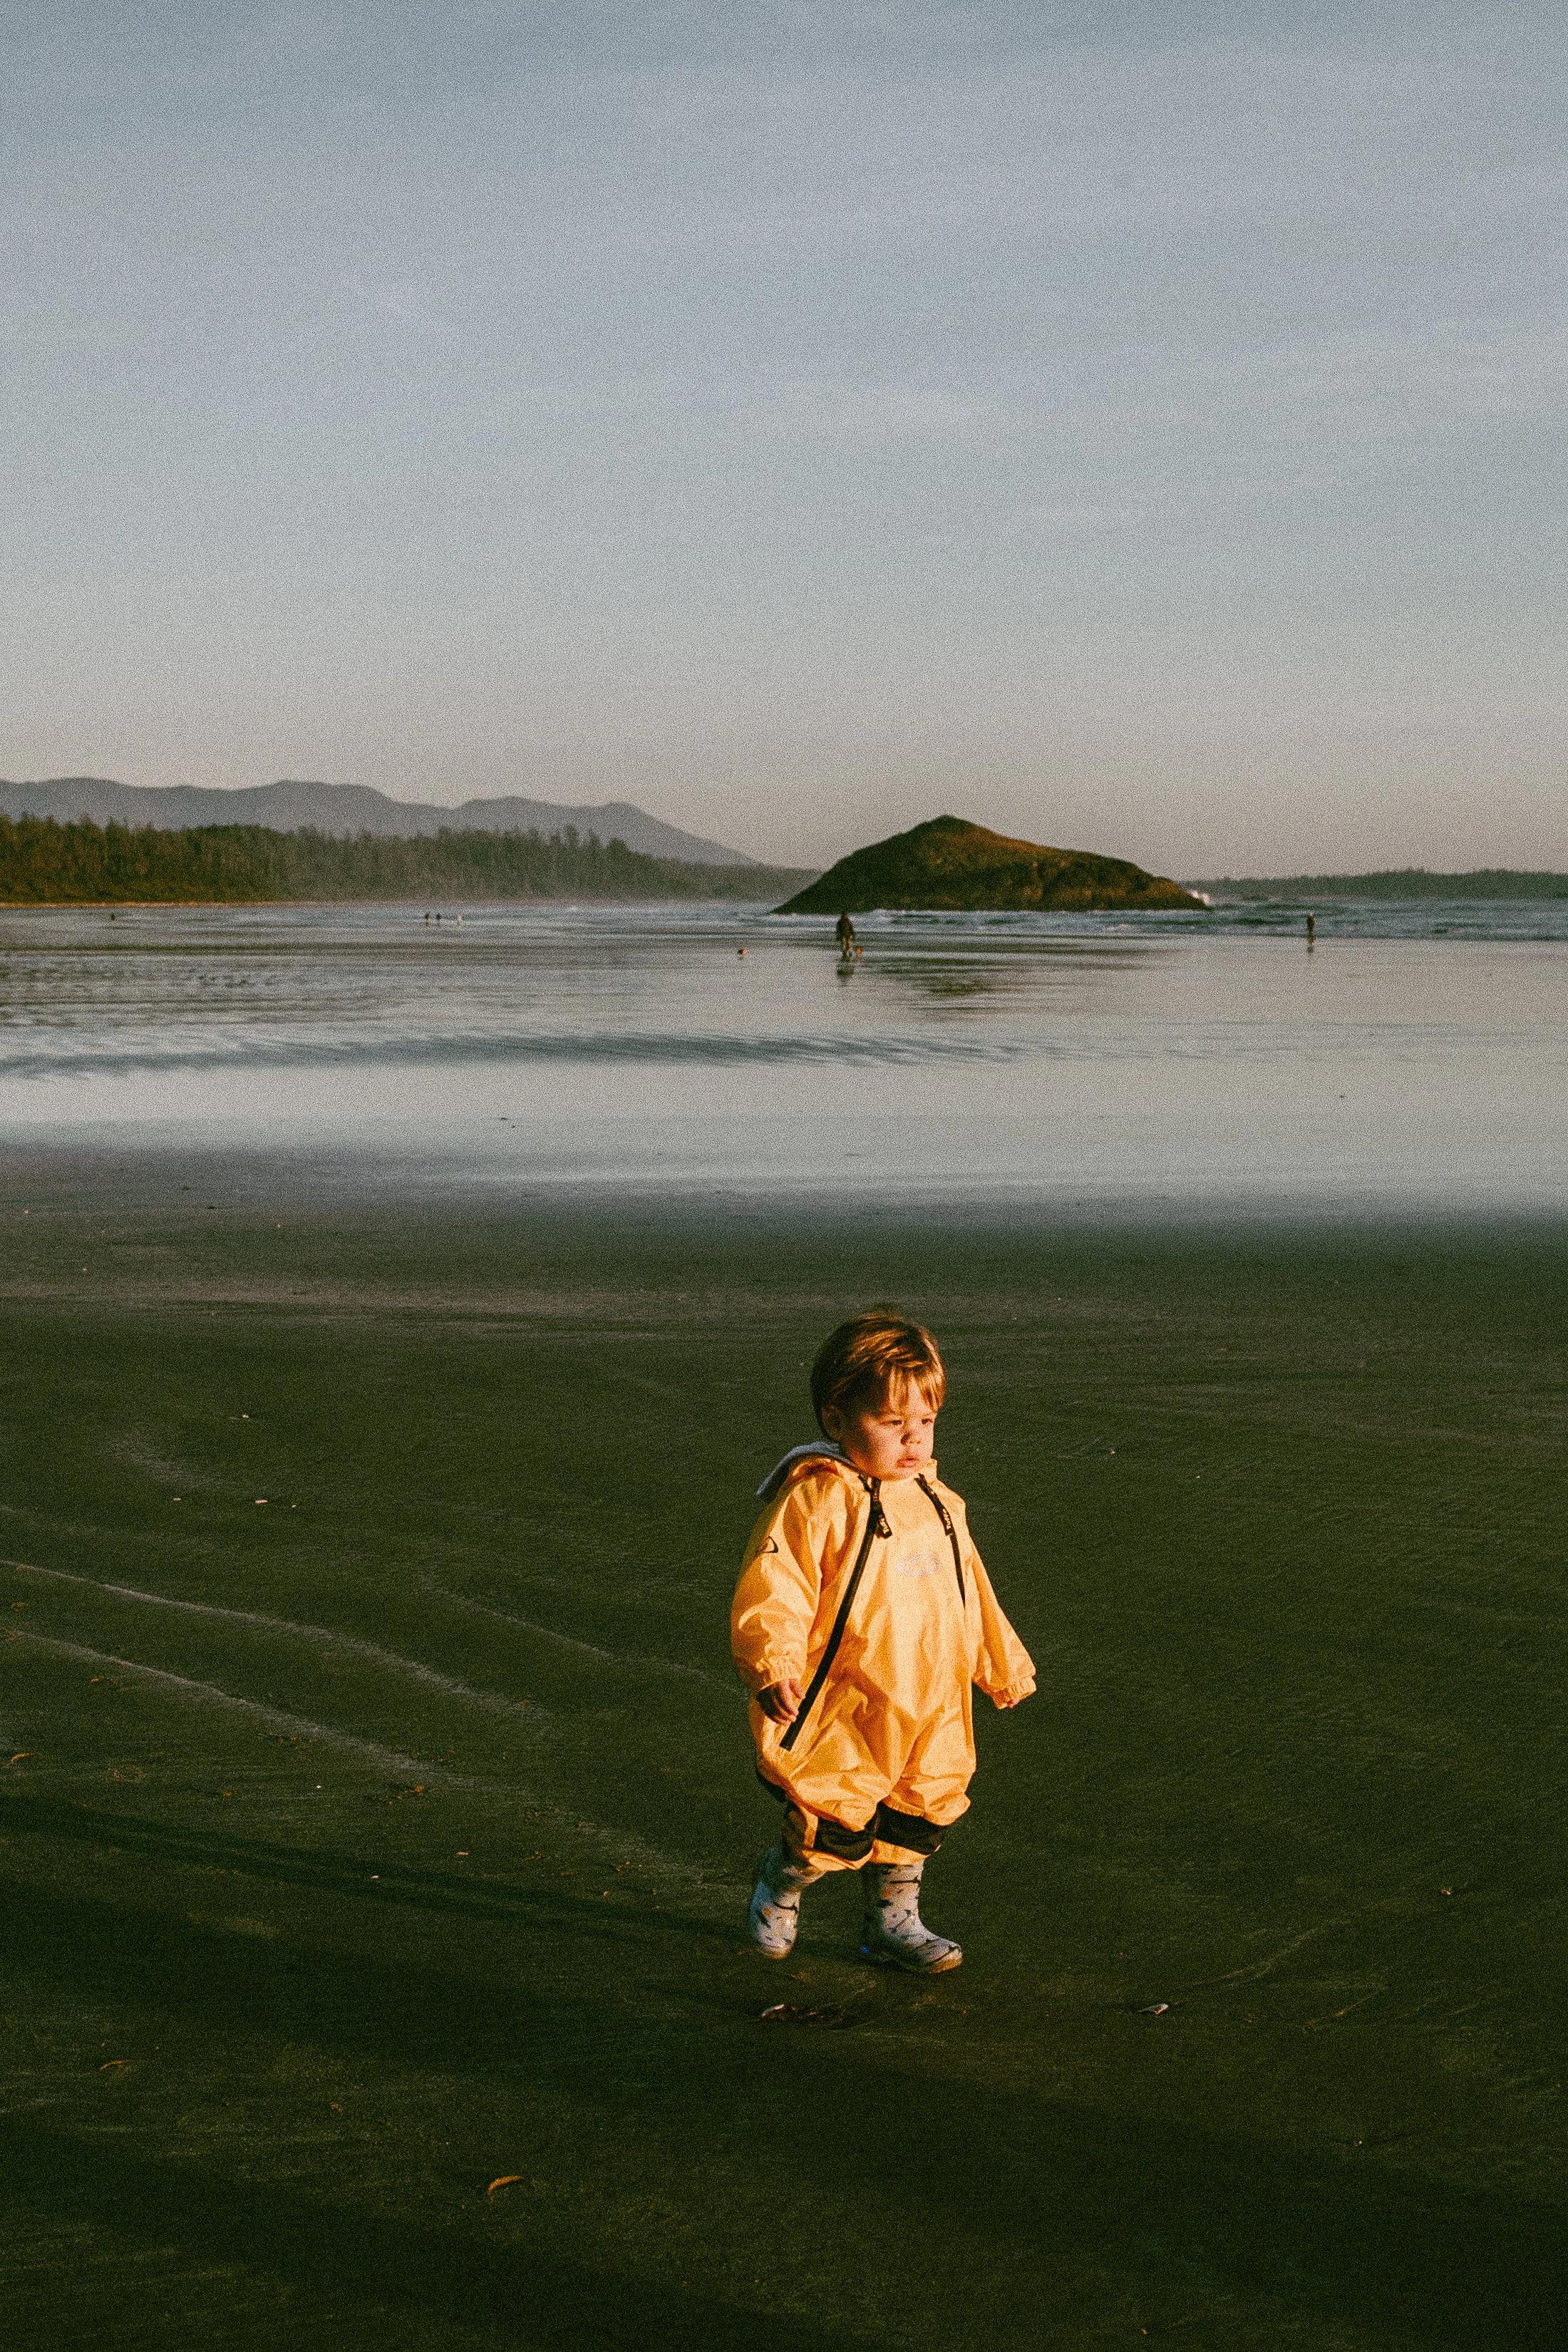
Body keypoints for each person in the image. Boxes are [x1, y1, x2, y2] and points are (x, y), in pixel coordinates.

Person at [731, 1313, 1036, 1974]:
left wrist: (1000, 1661)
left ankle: (895, 1922)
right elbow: (775, 1584)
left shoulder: (937, 1499)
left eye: (924, 1423)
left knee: (922, 1809)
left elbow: (971, 1587)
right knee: (833, 1816)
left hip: (934, 1696)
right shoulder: (817, 1498)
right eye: (892, 1424)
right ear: (838, 1419)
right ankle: (783, 1882)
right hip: (848, 1695)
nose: (913, 1441)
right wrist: (773, 1662)